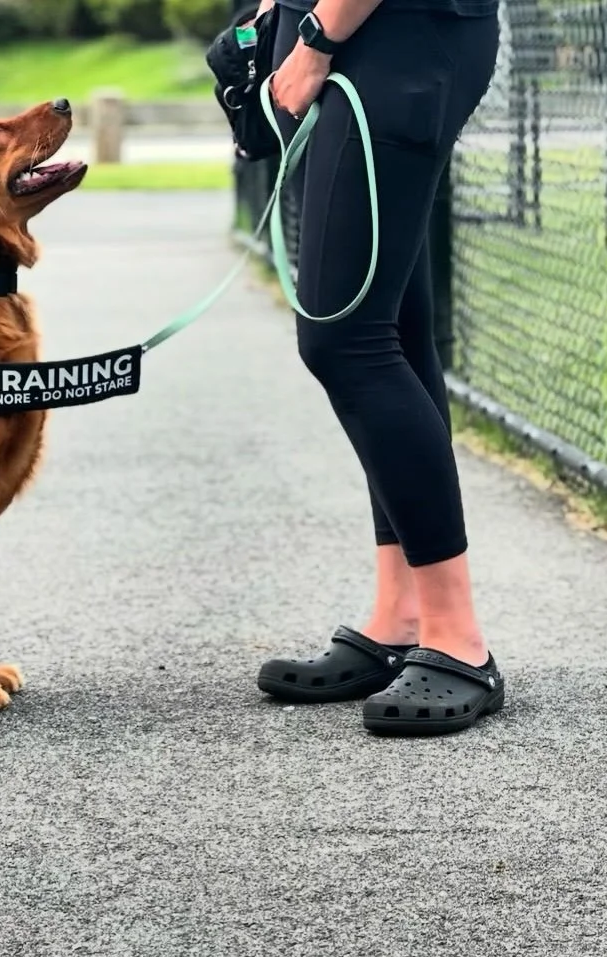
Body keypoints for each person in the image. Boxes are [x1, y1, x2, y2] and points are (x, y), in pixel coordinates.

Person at [249, 0, 506, 735]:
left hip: (388, 38)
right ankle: (400, 617)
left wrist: (314, 38)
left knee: (344, 339)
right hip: (365, 41)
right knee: (391, 325)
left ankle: (458, 640)